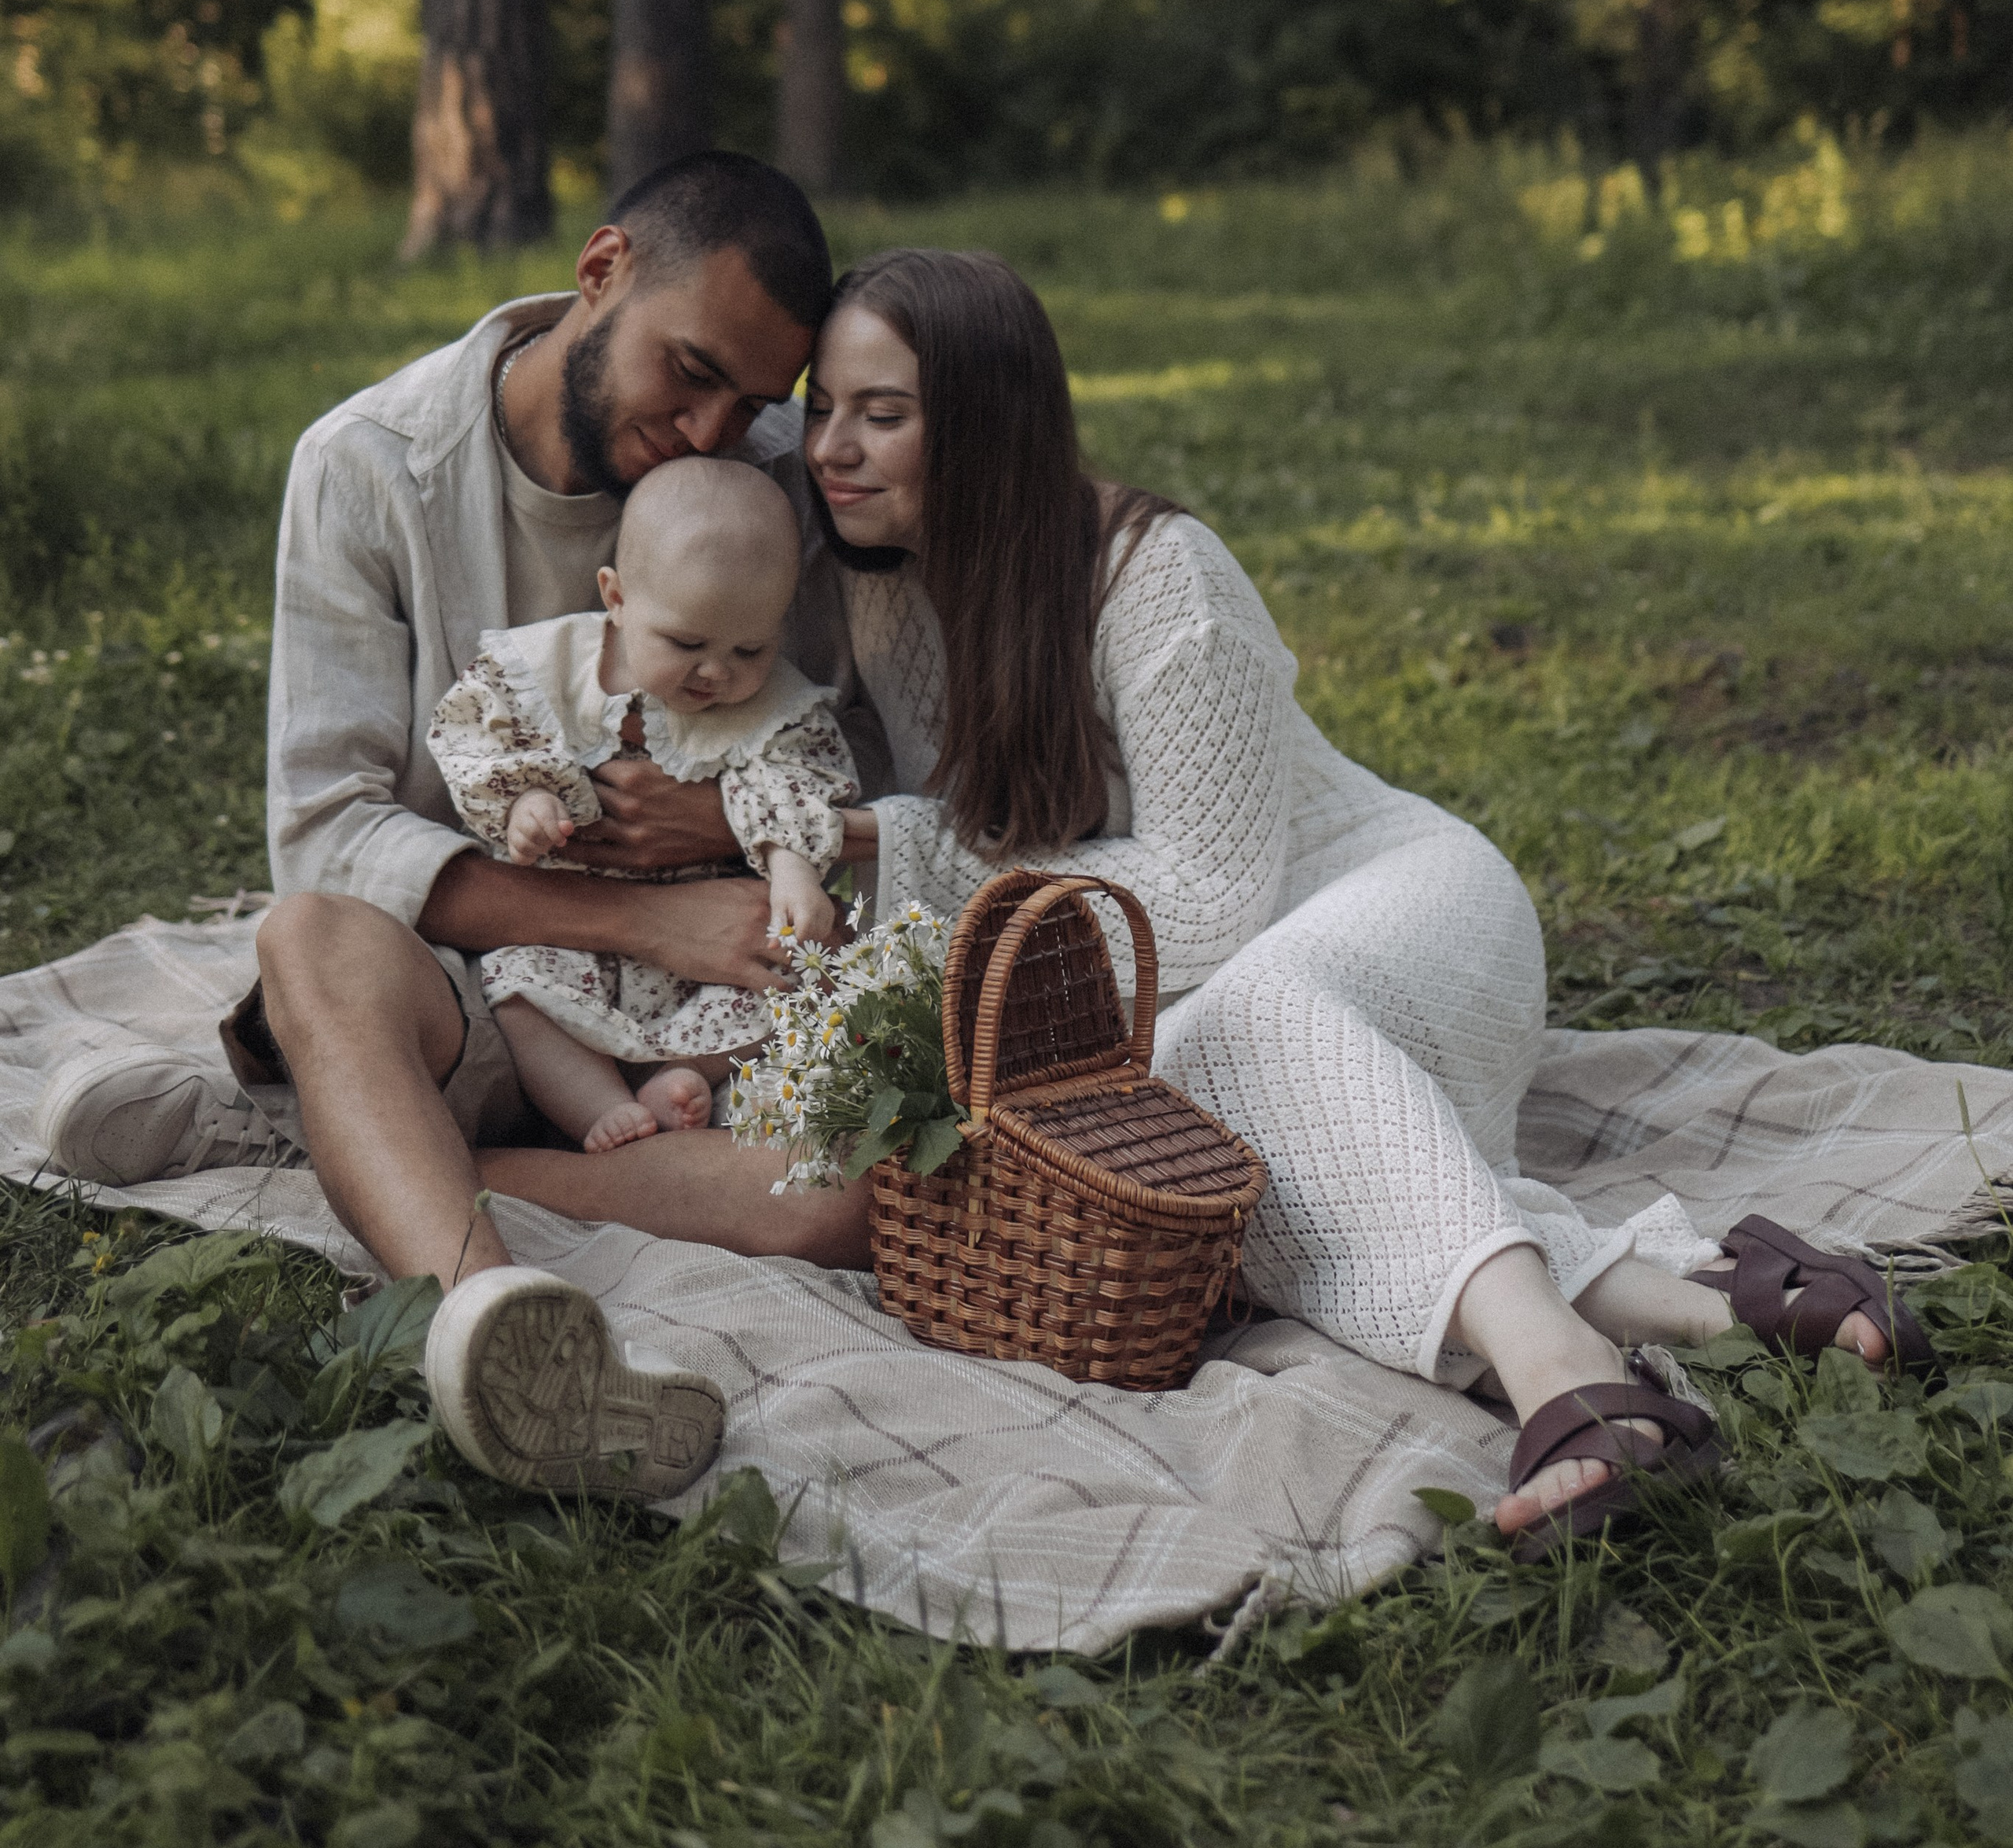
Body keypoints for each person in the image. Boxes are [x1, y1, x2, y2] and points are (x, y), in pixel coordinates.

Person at [797, 245, 1927, 1551]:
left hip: (1413, 911)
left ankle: (1559, 1374)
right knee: (1168, 1111)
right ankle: (1707, 1307)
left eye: (883, 415)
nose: (834, 445)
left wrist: (894, 845)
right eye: (825, 405)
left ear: (992, 424)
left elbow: (1210, 903)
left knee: (1233, 1023)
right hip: (1237, 992)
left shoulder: (1156, 576)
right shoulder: (883, 596)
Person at [36, 152, 881, 1505]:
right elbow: (323, 838)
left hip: (683, 1033)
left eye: (752, 401)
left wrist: (732, 830)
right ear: (600, 272)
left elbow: (837, 748)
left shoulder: (766, 484)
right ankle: (499, 1331)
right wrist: (641, 907)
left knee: (847, 1199)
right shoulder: (370, 469)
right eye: (691, 371)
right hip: (469, 991)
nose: (716, 430)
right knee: (311, 935)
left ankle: (340, 1132)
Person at [427, 458, 856, 1154]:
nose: (716, 672)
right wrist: (525, 801)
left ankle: (686, 1077)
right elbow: (483, 736)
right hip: (574, 930)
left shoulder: (774, 705)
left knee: (801, 984)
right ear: (617, 598)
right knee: (517, 986)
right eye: (686, 644)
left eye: (750, 647)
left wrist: (793, 868)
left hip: (710, 940)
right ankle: (594, 1105)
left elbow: (797, 780)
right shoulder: (547, 670)